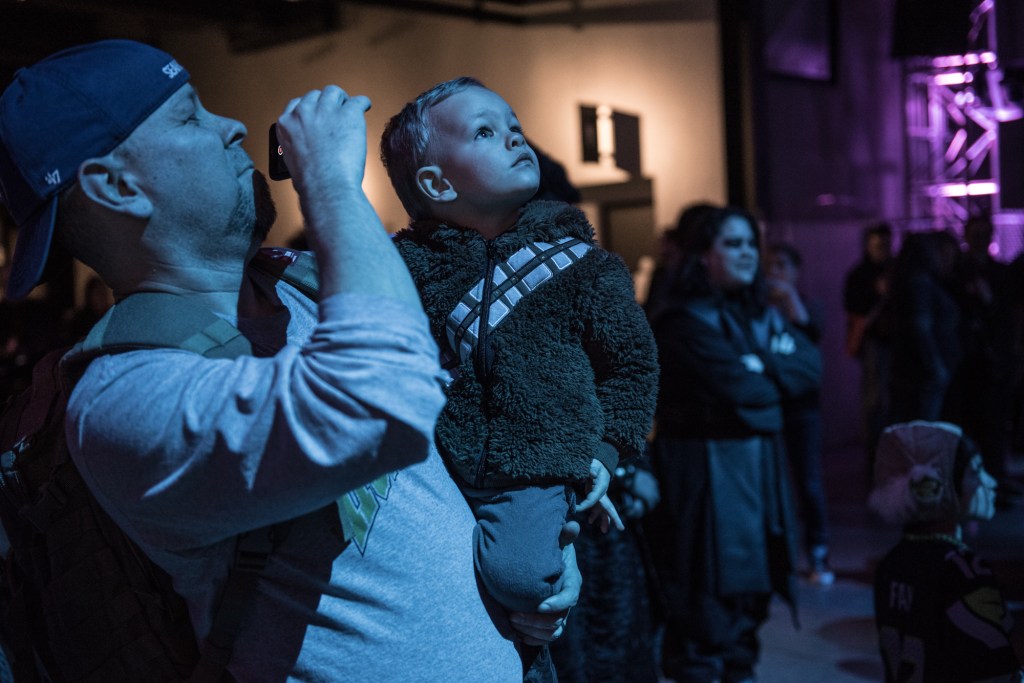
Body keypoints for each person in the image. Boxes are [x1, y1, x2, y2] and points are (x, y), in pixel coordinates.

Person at [0, 40, 579, 681]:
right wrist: (329, 182)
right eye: (190, 116)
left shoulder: (304, 283)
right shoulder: (122, 396)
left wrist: (537, 540)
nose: (233, 126)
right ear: (116, 186)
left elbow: (465, 427)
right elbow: (381, 403)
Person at [378, 77, 658, 639]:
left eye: (513, 126)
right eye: (484, 132)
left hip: (530, 470)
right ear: (436, 182)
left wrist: (606, 451)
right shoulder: (403, 266)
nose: (513, 138)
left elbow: (632, 367)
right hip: (430, 467)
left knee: (521, 580)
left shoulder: (584, 266)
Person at [647, 205, 820, 683]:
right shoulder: (682, 323)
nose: (747, 254)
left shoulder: (756, 316)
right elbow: (748, 394)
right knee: (705, 621)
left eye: (750, 244)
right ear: (703, 255)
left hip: (755, 483)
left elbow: (810, 369)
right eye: (732, 244)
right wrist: (768, 372)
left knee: (747, 620)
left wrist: (760, 365)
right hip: (706, 485)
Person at [869, 420, 1023, 683]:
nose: (989, 482)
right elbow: (997, 668)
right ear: (939, 487)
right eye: (976, 471)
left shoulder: (890, 564)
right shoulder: (963, 570)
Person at [765, 242, 833, 586]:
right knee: (775, 484)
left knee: (808, 482)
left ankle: (818, 552)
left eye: (781, 265)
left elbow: (810, 336)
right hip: (772, 406)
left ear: (795, 270)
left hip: (803, 408)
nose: (774, 272)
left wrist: (789, 296)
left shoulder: (808, 305)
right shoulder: (756, 308)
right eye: (769, 265)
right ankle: (782, 558)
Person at [887, 230, 962, 424]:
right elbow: (921, 328)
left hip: (919, 371)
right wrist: (936, 367)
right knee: (925, 429)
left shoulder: (914, 282)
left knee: (920, 427)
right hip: (926, 374)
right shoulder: (921, 283)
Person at [842, 221, 895, 482]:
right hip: (874, 344)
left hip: (895, 343)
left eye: (885, 244)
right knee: (875, 401)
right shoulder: (860, 275)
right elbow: (854, 311)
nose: (882, 250)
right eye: (877, 245)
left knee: (888, 400)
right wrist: (879, 296)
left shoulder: (895, 270)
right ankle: (875, 457)